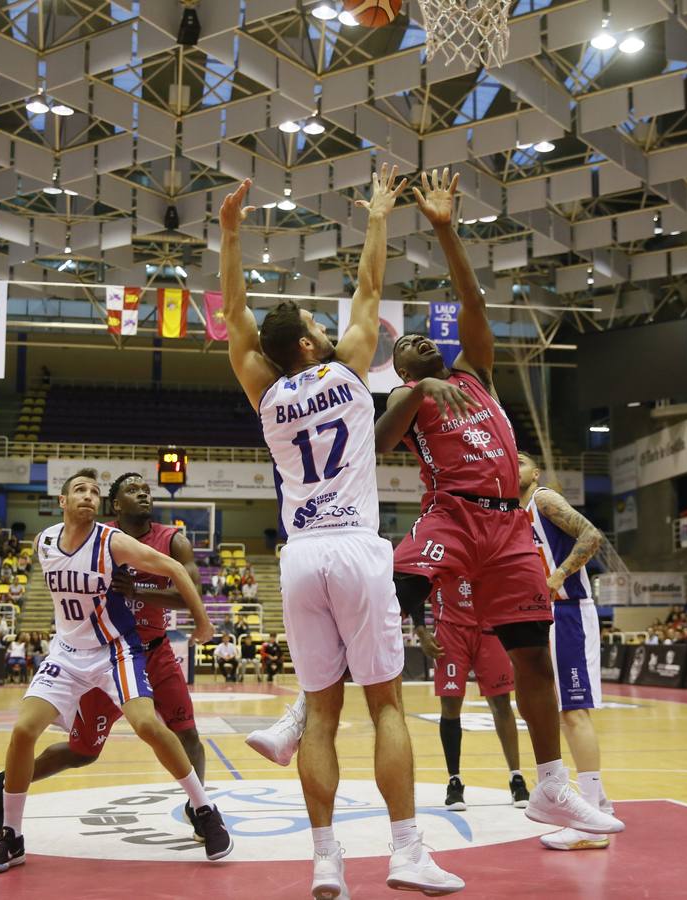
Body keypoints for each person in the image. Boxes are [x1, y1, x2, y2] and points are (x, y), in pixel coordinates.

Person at [220, 168, 463, 896]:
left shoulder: (262, 389)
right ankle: (406, 852)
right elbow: (369, 286)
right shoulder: (350, 370)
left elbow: (235, 315)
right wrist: (380, 215)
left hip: (300, 558)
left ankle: (326, 861)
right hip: (357, 545)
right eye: (318, 331)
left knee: (318, 716)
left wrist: (231, 233)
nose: (332, 333)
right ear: (306, 346)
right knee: (385, 703)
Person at [374, 169, 622, 841]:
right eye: (406, 348)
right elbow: (375, 444)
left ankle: (549, 786)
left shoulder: (476, 376)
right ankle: (307, 711)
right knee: (393, 587)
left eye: (424, 339)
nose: (420, 343)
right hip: (450, 514)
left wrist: (445, 229)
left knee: (532, 656)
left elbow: (472, 302)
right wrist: (417, 394)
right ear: (399, 370)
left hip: (508, 523)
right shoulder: (411, 399)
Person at [0, 468, 228, 875]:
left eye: (147, 490)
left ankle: (203, 811)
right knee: (77, 750)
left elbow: (186, 583)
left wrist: (164, 603)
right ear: (114, 503)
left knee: (179, 730)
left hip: (141, 650)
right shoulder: (49, 542)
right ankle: (11, 818)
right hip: (73, 654)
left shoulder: (152, 539)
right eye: (132, 489)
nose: (143, 495)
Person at [518, 452, 617, 851]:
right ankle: (600, 802)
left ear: (536, 471)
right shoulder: (516, 511)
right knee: (564, 713)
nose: (515, 466)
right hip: (551, 615)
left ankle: (591, 823)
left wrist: (557, 576)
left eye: (523, 461)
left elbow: (591, 534)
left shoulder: (543, 499)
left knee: (574, 713)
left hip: (570, 610)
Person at [414, 578, 528, 812]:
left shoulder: (488, 543)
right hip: (449, 629)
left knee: (501, 701)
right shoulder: (436, 548)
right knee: (450, 705)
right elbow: (415, 587)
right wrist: (421, 631)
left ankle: (516, 777)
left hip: (489, 628)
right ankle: (454, 781)